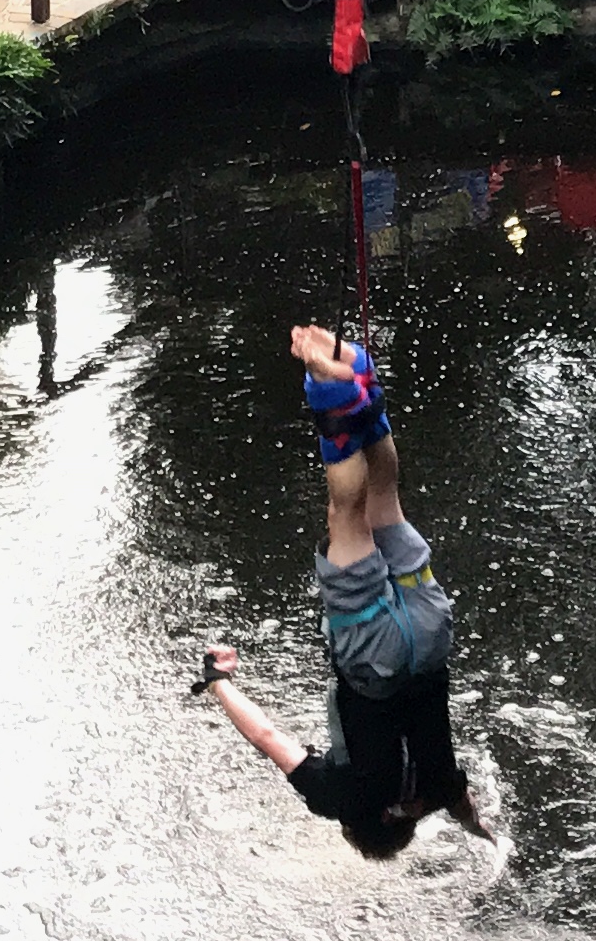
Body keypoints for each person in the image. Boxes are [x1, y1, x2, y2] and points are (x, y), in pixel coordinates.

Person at [198, 323, 487, 854]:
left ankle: (366, 400)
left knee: (384, 497)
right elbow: (267, 738)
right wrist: (217, 681)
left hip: (429, 638)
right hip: (371, 660)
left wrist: (488, 838)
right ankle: (334, 396)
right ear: (359, 830)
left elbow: (466, 808)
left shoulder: (439, 791)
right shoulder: (340, 800)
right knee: (346, 516)